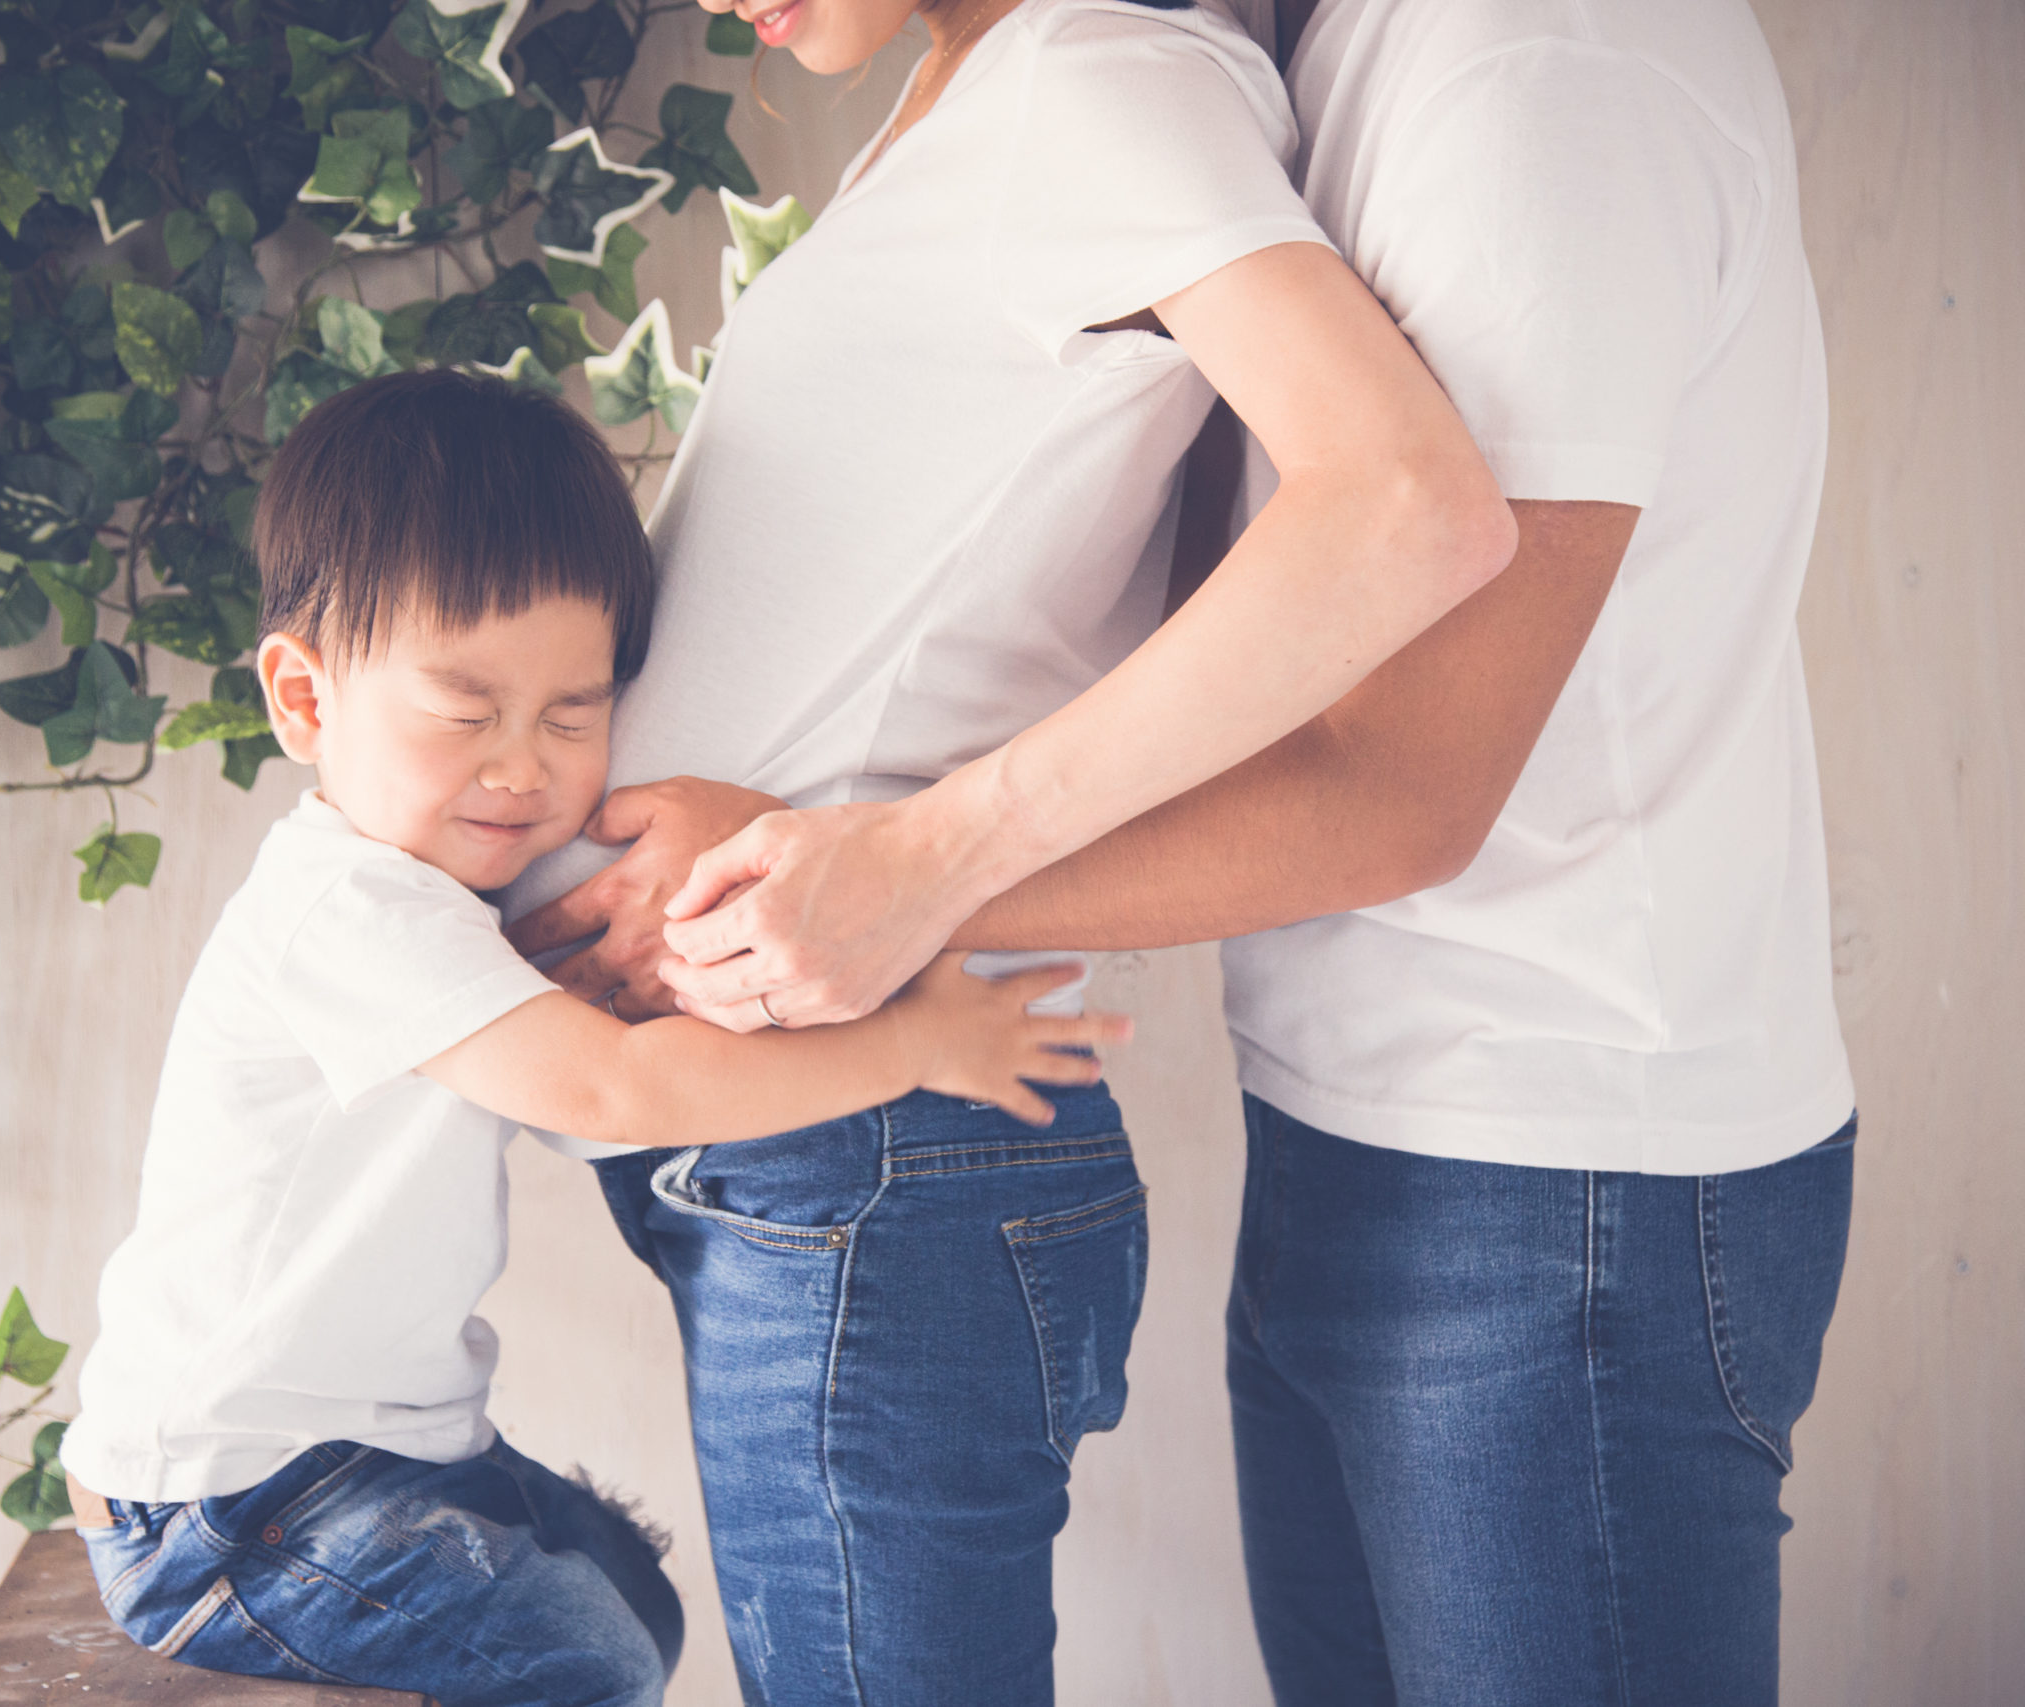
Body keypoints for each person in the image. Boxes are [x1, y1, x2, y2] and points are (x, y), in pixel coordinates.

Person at [536, 0, 1855, 1699]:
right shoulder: (1175, 65)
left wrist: (889, 878)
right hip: (1338, 1111)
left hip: (1561, 1156)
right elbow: (1144, 596)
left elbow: (1405, 684)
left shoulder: (1509, 61)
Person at [57, 371, 1127, 1707]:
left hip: (378, 1453)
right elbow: (615, 1090)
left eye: (573, 714)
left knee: (636, 1596)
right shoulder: (345, 909)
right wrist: (918, 1045)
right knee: (590, 1659)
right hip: (230, 1497)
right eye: (466, 714)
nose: (523, 767)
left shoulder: (444, 901)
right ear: (305, 699)